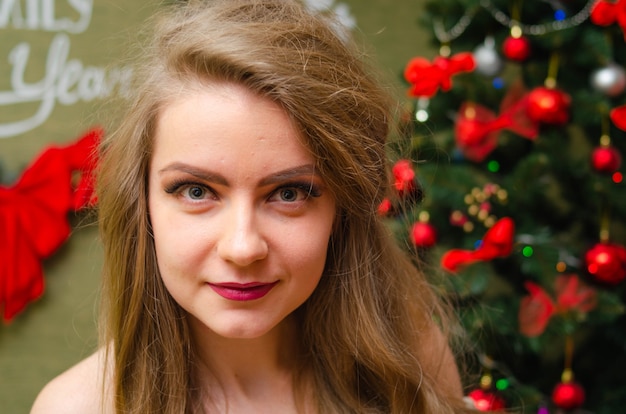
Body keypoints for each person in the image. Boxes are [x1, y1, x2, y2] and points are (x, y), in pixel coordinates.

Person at [32, 0, 479, 412]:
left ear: (342, 209)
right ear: (142, 203)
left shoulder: (409, 361)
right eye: (196, 191)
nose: (243, 248)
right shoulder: (78, 407)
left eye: (289, 193)